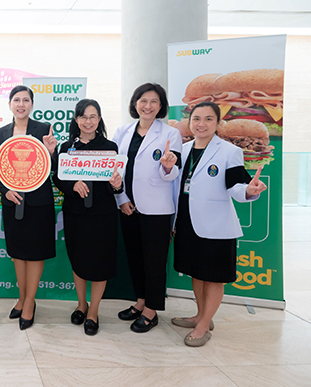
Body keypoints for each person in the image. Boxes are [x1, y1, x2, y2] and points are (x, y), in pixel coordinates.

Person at [169, 102, 266, 347]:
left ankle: (203, 326)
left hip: (216, 226)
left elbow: (236, 186)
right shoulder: (183, 149)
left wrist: (250, 190)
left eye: (208, 119)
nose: (201, 124)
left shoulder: (229, 151)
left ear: (218, 123)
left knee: (213, 277)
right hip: (187, 222)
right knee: (196, 272)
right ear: (190, 122)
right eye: (197, 118)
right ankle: (201, 315)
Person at [111, 83, 181, 333]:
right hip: (128, 206)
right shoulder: (122, 131)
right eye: (143, 100)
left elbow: (172, 174)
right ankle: (140, 301)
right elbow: (114, 168)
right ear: (135, 103)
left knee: (154, 260)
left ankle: (151, 310)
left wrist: (167, 166)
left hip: (156, 210)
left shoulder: (171, 134)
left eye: (154, 101)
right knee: (135, 257)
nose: (148, 106)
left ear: (161, 106)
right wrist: (121, 198)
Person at [52, 99, 123, 336]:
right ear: (76, 120)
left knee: (101, 262)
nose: (88, 121)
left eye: (93, 116)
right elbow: (58, 178)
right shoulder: (67, 147)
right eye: (83, 117)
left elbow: (116, 184)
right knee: (78, 258)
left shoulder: (110, 148)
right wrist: (72, 185)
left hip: (103, 215)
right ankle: (81, 304)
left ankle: (94, 310)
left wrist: (117, 184)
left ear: (99, 119)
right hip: (76, 214)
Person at [0, 85, 58, 330]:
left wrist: (52, 152)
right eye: (16, 100)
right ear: (10, 104)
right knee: (18, 251)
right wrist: (5, 190)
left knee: (36, 252)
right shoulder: (1, 133)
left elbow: (53, 167)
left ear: (32, 104)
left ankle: (30, 302)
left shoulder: (43, 129)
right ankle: (21, 298)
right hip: (13, 200)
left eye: (26, 100)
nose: (21, 104)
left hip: (39, 201)